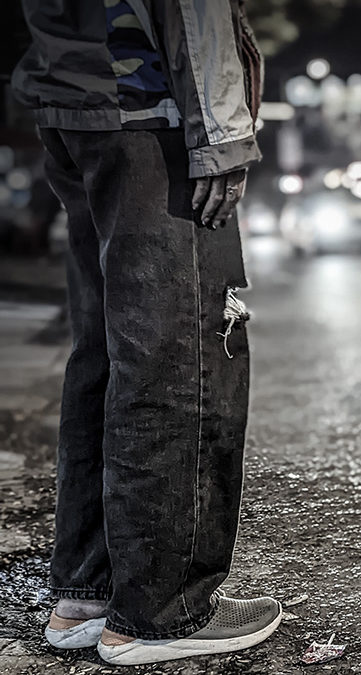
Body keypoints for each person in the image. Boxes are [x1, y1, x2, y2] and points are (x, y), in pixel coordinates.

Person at [12, 0, 281, 666]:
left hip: (69, 98)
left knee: (105, 352)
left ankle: (87, 595)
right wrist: (221, 136)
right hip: (147, 107)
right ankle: (161, 613)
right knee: (175, 354)